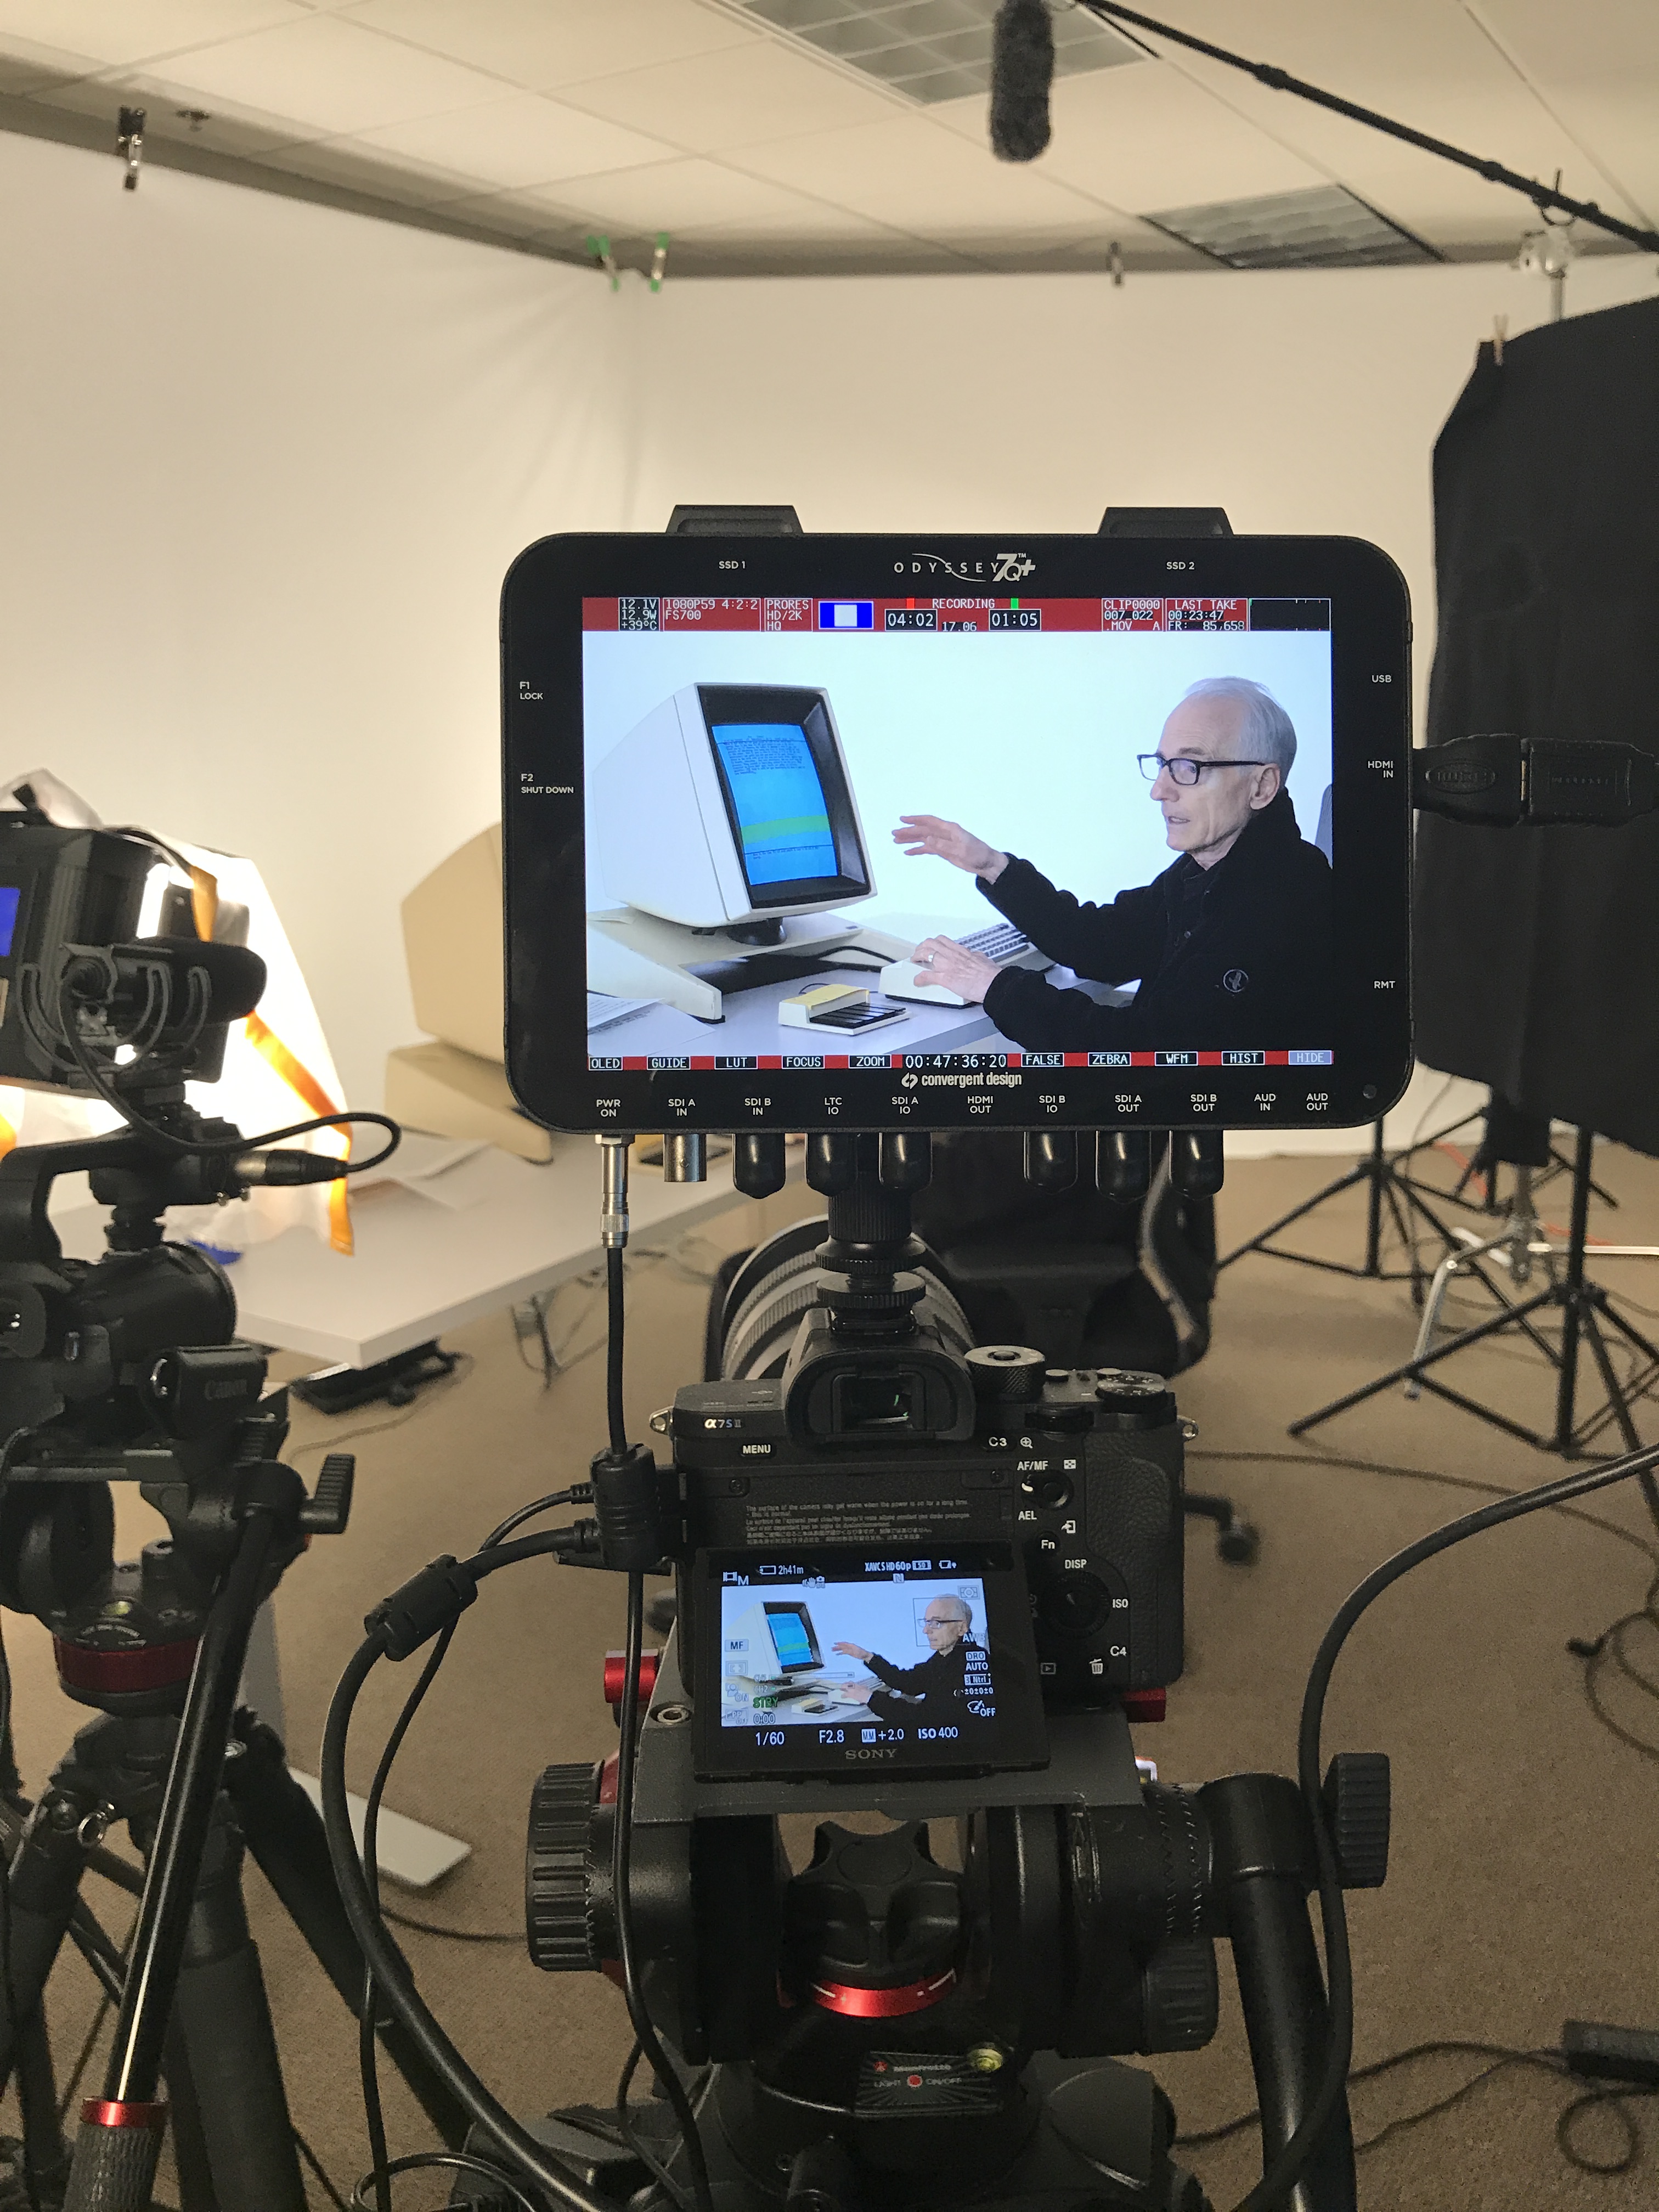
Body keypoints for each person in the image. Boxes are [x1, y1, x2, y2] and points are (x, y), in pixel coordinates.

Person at [893, 676, 1333, 1052]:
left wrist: (994, 986)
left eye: (1189, 767)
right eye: (1162, 765)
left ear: (1262, 786)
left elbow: (1143, 1051)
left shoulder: (1280, 899)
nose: (1159, 791)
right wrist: (992, 866)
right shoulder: (1207, 871)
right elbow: (1101, 944)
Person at [832, 1595, 988, 1725]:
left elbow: (925, 1719)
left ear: (962, 1628)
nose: (926, 1630)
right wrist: (867, 1657)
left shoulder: (971, 1665)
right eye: (927, 1622)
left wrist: (870, 1698)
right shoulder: (948, 1656)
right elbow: (910, 1682)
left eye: (936, 1623)